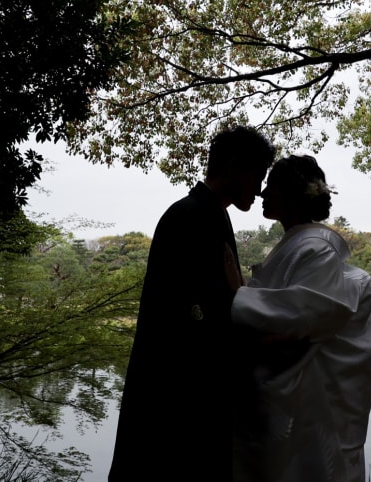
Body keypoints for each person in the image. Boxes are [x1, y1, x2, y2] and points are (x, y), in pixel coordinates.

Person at [108, 125, 276, 482]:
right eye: (257, 176)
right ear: (233, 166)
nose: (259, 190)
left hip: (189, 386)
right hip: (180, 392)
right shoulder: (191, 216)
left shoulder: (208, 213)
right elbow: (194, 315)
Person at [231, 154, 371, 482]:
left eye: (270, 186)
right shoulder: (302, 246)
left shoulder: (315, 249)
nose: (262, 194)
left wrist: (234, 304)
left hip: (312, 417)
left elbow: (294, 328)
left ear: (289, 194)